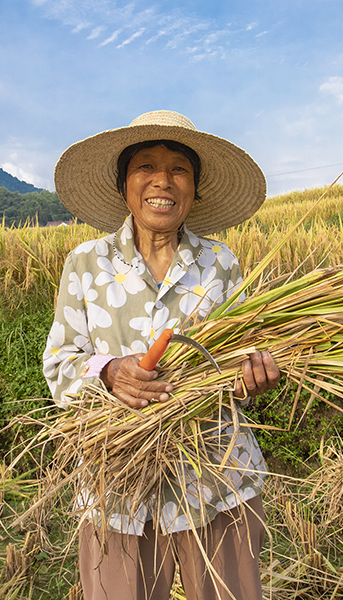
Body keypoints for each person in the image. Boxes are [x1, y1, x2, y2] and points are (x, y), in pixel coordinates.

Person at [43, 110, 280, 600]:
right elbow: (61, 363)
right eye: (145, 167)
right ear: (123, 185)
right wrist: (108, 372)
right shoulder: (86, 264)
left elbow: (241, 362)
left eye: (178, 169)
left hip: (215, 481)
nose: (162, 181)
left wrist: (252, 376)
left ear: (194, 187)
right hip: (118, 485)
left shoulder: (221, 264)